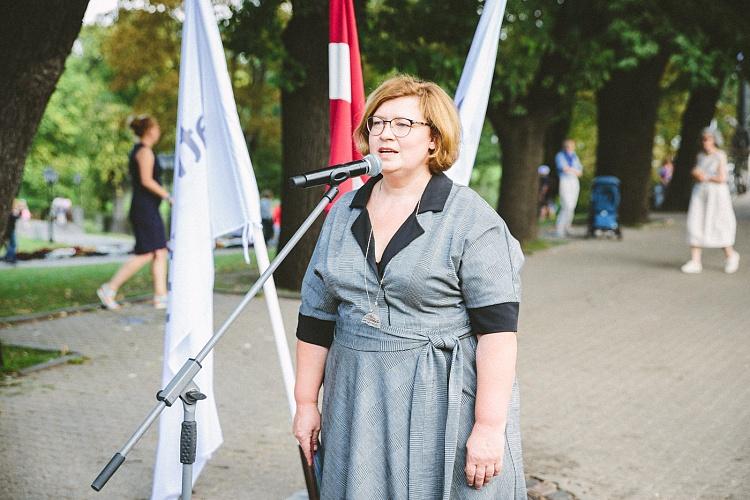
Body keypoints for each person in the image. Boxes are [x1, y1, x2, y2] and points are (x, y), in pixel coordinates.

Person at [293, 75, 526, 499]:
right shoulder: (343, 211)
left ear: (434, 140)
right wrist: (306, 402)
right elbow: (315, 316)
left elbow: (497, 333)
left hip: (438, 398)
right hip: (355, 398)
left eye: (403, 124)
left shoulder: (472, 220)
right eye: (377, 124)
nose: (385, 134)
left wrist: (490, 428)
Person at [97, 115, 171, 309]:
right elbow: (147, 180)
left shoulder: (142, 151)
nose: (159, 131)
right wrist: (168, 196)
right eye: (157, 127)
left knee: (159, 252)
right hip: (144, 208)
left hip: (147, 207)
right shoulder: (144, 152)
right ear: (150, 130)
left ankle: (161, 296)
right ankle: (109, 288)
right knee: (147, 253)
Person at [681, 128, 740, 274]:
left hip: (717, 196)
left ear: (714, 140)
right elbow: (697, 171)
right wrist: (696, 173)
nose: (705, 142)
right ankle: (695, 260)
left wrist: (705, 176)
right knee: (696, 222)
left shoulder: (720, 155)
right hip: (700, 194)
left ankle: (731, 255)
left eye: (708, 139)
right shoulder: (700, 156)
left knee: (718, 223)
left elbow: (722, 178)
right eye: (703, 139)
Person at [554, 138, 583, 237]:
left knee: (572, 207)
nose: (569, 148)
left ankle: (567, 227)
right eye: (567, 146)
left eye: (570, 146)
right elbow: (564, 168)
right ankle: (560, 228)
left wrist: (571, 170)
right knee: (566, 205)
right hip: (565, 181)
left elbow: (579, 172)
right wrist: (573, 170)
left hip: (574, 182)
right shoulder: (560, 156)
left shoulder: (575, 157)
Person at [2, 199, 22, 264]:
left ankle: (7, 257)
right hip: (10, 231)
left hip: (8, 230)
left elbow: (17, 217)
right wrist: (20, 210)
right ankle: (10, 258)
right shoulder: (9, 214)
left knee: (9, 244)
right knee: (13, 245)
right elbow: (16, 217)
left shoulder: (7, 213)